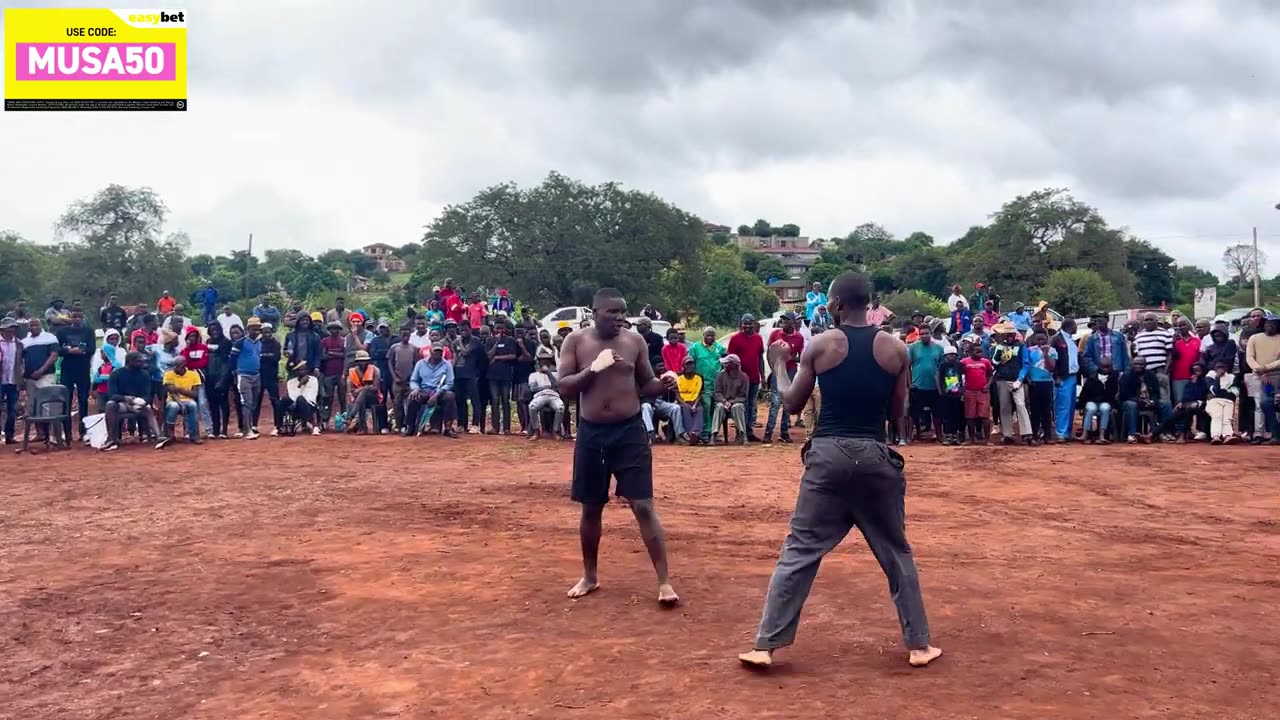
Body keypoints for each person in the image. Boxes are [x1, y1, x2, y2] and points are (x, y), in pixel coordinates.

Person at [738, 272, 939, 671]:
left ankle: (765, 645)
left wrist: (778, 364)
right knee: (896, 552)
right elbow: (898, 413)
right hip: (875, 455)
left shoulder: (821, 344)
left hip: (828, 454)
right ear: (871, 302)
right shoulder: (896, 349)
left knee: (799, 550)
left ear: (834, 305)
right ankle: (919, 645)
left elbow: (792, 403)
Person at [557, 287, 680, 605]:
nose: (619, 318)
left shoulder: (634, 341)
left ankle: (664, 582)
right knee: (591, 507)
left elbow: (646, 385)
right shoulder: (576, 341)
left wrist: (664, 382)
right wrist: (593, 369)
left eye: (622, 311)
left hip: (630, 433)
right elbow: (565, 388)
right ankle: (590, 576)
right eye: (612, 312)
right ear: (595, 312)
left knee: (643, 505)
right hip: (592, 434)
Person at [101, 352, 161, 452]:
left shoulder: (144, 375)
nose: (143, 363)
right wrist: (125, 398)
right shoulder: (117, 374)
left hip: (137, 404)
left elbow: (147, 395)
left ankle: (159, 436)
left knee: (148, 409)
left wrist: (141, 402)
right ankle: (111, 439)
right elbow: (112, 395)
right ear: (130, 362)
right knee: (110, 405)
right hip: (122, 403)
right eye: (139, 361)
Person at [53, 307, 95, 441]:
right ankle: (67, 433)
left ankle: (83, 432)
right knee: (66, 401)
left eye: (79, 317)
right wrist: (70, 351)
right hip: (67, 368)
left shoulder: (88, 331)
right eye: (74, 317)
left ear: (83, 318)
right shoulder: (61, 331)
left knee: (83, 400)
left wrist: (81, 351)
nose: (77, 319)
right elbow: (57, 349)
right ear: (70, 318)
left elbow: (91, 348)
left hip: (82, 368)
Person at [990, 323, 1032, 444]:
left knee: (1020, 404)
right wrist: (999, 349)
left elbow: (1025, 364)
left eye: (1012, 334)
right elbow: (995, 363)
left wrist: (1020, 379)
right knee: (1004, 407)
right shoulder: (997, 347)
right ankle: (1007, 434)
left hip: (1016, 379)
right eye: (1007, 334)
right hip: (1002, 380)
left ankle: (1027, 433)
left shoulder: (1020, 346)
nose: (1010, 336)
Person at [404, 343, 457, 437]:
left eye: (440, 352)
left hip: (440, 392)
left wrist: (437, 394)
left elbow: (449, 383)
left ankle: (448, 428)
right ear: (430, 352)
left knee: (450, 396)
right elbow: (414, 380)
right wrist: (415, 389)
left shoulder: (447, 365)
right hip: (424, 390)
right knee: (412, 398)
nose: (438, 354)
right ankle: (410, 427)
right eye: (435, 351)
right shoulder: (420, 364)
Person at [765, 315, 803, 444]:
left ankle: (784, 433)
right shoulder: (775, 334)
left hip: (791, 371)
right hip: (778, 370)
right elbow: (769, 352)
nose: (784, 322)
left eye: (787, 320)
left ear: (793, 323)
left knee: (787, 401)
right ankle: (768, 433)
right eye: (783, 320)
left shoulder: (799, 337)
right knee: (775, 402)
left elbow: (801, 356)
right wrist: (773, 367)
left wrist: (790, 358)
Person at [726, 314, 765, 442]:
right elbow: (730, 359)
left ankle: (748, 431)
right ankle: (739, 432)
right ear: (741, 324)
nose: (747, 326)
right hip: (739, 379)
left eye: (750, 324)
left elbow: (760, 358)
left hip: (754, 377)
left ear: (754, 324)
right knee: (740, 404)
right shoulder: (735, 339)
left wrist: (763, 376)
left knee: (751, 405)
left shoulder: (758, 338)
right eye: (745, 324)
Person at [1151, 361, 1208, 443]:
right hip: (1188, 405)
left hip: (1201, 404)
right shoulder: (1190, 382)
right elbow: (1186, 396)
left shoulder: (1205, 381)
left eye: (1198, 369)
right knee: (1173, 416)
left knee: (1188, 410)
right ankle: (1152, 434)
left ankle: (1183, 435)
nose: (1196, 371)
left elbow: (1199, 395)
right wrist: (1182, 402)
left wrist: (1194, 385)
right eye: (1194, 370)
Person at [229, 318, 265, 439]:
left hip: (257, 376)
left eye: (258, 329)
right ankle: (246, 430)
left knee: (254, 403)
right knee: (247, 403)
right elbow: (232, 360)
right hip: (244, 376)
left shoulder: (259, 343)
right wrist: (234, 374)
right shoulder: (240, 342)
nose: (256, 331)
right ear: (247, 329)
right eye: (253, 329)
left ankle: (250, 427)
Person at [907, 328, 944, 442]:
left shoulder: (939, 348)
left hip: (934, 386)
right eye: (921, 334)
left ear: (931, 334)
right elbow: (908, 367)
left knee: (937, 413)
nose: (924, 336)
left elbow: (942, 368)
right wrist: (909, 383)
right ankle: (910, 436)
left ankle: (939, 436)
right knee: (913, 414)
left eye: (926, 333)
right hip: (917, 385)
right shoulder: (913, 347)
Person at [157, 355, 202, 448]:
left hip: (188, 400)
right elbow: (171, 391)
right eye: (174, 365)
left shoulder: (193, 374)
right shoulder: (169, 374)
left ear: (183, 365)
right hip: (173, 400)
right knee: (174, 406)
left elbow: (194, 394)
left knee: (193, 405)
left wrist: (180, 389)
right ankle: (169, 434)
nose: (175, 368)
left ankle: (194, 434)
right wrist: (180, 403)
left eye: (177, 365)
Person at [1119, 355, 1163, 443]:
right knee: (1131, 405)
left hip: (1148, 401)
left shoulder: (1150, 375)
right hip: (1131, 401)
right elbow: (1124, 395)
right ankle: (1132, 434)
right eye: (1136, 364)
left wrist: (1153, 401)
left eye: (1141, 364)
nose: (1138, 366)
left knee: (1166, 404)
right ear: (1132, 364)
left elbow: (1156, 392)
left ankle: (1165, 432)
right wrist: (1140, 401)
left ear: (1145, 365)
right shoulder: (1126, 375)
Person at [485, 322, 519, 435]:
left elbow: (513, 355)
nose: (499, 330)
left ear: (504, 328)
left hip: (505, 375)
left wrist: (498, 357)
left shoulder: (510, 340)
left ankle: (506, 428)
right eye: (497, 328)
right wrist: (496, 344)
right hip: (492, 375)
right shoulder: (490, 340)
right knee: (494, 401)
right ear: (493, 329)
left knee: (505, 400)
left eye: (501, 328)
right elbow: (488, 356)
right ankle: (495, 427)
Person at [1026, 332, 1058, 443]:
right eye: (1038, 339)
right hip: (1034, 383)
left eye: (1043, 339)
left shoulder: (1052, 351)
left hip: (1047, 382)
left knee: (1046, 410)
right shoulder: (1029, 350)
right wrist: (1029, 379)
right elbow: (1026, 365)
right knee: (1034, 410)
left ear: (1047, 339)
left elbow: (1051, 367)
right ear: (1034, 340)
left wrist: (1045, 354)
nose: (1041, 342)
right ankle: (1034, 434)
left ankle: (1047, 435)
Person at [526, 350, 566, 440]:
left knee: (560, 408)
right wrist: (546, 387)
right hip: (540, 395)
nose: (544, 362)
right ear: (539, 361)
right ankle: (536, 431)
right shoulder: (533, 375)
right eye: (542, 360)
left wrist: (548, 373)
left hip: (554, 396)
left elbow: (557, 386)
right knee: (532, 407)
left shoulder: (555, 374)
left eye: (547, 360)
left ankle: (556, 431)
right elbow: (533, 389)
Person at [1051, 319, 1080, 440]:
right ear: (1070, 326)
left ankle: (1068, 432)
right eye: (1075, 326)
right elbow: (1052, 359)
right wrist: (1055, 376)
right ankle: (1060, 433)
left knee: (1071, 406)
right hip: (1062, 377)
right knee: (1062, 406)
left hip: (1073, 376)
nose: (1076, 328)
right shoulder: (1056, 339)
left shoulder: (1071, 339)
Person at [711, 354, 749, 445]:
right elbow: (717, 392)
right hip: (723, 402)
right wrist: (724, 401)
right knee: (719, 407)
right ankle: (713, 435)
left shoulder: (744, 377)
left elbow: (743, 396)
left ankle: (743, 435)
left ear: (733, 365)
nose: (724, 365)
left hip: (736, 403)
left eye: (727, 364)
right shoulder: (721, 375)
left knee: (738, 407)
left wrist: (731, 402)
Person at [1078, 358, 1118, 443]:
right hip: (1092, 401)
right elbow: (1084, 392)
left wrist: (1114, 406)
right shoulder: (1092, 376)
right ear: (1099, 366)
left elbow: (1114, 394)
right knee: (1091, 409)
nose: (1106, 369)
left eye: (1107, 367)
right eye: (1103, 367)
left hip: (1105, 402)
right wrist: (1081, 406)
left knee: (1105, 409)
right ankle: (1085, 434)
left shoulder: (1114, 377)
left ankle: (1102, 435)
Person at [960, 341, 993, 444]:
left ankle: (987, 439)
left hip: (982, 391)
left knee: (985, 416)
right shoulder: (964, 362)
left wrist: (987, 386)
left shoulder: (986, 362)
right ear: (970, 352)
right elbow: (959, 376)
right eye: (976, 351)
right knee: (970, 416)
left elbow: (991, 375)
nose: (979, 353)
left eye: (980, 351)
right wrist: (962, 389)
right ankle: (972, 439)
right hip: (969, 391)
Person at [204, 323, 234, 439]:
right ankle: (216, 429)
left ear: (220, 329)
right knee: (212, 405)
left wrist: (223, 379)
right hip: (209, 377)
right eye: (212, 330)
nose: (214, 331)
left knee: (223, 403)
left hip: (222, 377)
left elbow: (227, 363)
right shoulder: (208, 342)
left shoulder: (226, 342)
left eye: (216, 329)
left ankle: (224, 429)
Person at [344, 350, 383, 433]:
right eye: (361, 361)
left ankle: (351, 417)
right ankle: (361, 427)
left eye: (365, 360)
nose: (363, 362)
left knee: (363, 393)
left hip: (373, 397)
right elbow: (351, 390)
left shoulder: (375, 370)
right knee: (362, 397)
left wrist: (364, 389)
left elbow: (376, 388)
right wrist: (364, 388)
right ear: (357, 361)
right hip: (358, 397)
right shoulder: (352, 371)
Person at [0, 319, 23, 444]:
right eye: (9, 328)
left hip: (13, 380)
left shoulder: (19, 344)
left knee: (12, 409)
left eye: (13, 328)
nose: (11, 330)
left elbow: (21, 363)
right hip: (1, 379)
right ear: (2, 330)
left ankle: (10, 435)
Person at [258, 324, 283, 435]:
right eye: (264, 332)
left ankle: (277, 426)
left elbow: (275, 358)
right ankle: (254, 425)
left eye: (269, 332)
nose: (267, 334)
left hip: (272, 376)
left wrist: (263, 356)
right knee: (256, 402)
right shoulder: (258, 343)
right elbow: (257, 358)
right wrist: (267, 356)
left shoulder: (276, 344)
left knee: (275, 401)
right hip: (259, 376)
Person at [283, 362, 322, 435]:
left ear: (307, 371)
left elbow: (312, 396)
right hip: (295, 406)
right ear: (296, 372)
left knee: (301, 399)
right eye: (300, 370)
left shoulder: (313, 380)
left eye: (304, 370)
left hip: (310, 405)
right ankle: (278, 427)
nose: (302, 372)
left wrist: (301, 399)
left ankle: (314, 426)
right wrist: (299, 385)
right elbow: (293, 397)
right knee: (284, 400)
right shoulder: (291, 382)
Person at [1205, 360, 1239, 444]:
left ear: (1226, 368)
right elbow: (1214, 390)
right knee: (1217, 416)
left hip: (1228, 401)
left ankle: (1227, 436)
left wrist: (1223, 393)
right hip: (1214, 400)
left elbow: (1235, 392)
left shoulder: (1231, 377)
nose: (1220, 369)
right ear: (1214, 368)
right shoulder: (1210, 375)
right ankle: (1215, 436)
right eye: (1218, 367)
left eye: (1222, 367)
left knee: (1227, 418)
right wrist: (1217, 377)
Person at [937, 347, 965, 444]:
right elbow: (939, 377)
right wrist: (940, 391)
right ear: (945, 356)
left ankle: (955, 435)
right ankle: (948, 435)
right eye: (950, 354)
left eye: (954, 354)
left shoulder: (959, 365)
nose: (952, 356)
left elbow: (962, 378)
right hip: (946, 394)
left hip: (957, 394)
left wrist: (962, 391)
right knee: (946, 415)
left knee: (956, 415)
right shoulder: (943, 365)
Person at [674, 356, 704, 445]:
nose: (690, 366)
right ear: (684, 366)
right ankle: (690, 434)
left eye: (691, 364)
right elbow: (677, 395)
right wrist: (685, 403)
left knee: (699, 410)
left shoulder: (699, 377)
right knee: (685, 409)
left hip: (695, 401)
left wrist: (695, 405)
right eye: (688, 364)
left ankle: (695, 433)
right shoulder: (679, 377)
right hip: (683, 401)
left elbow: (700, 394)